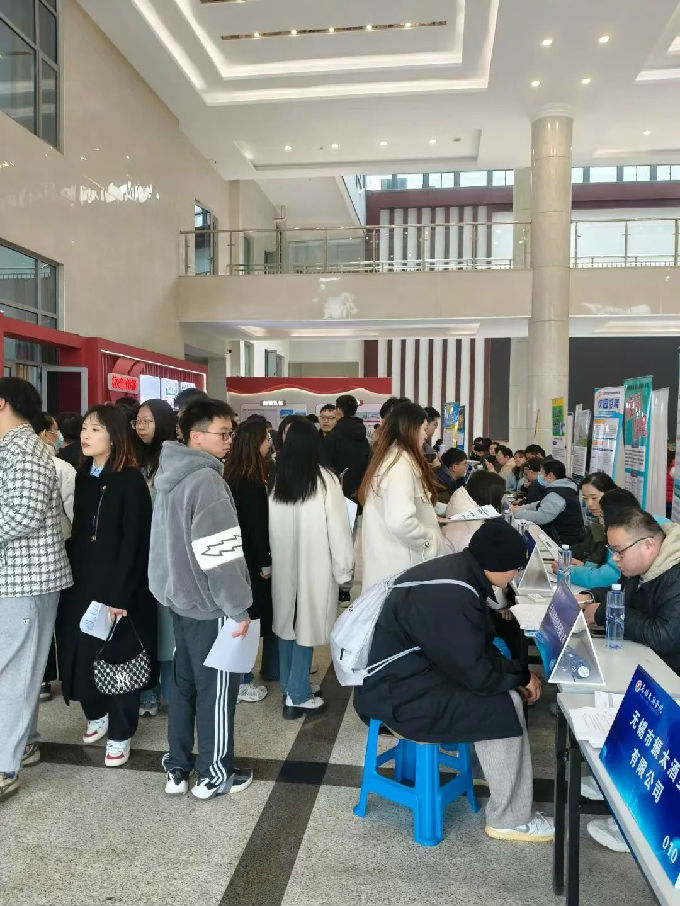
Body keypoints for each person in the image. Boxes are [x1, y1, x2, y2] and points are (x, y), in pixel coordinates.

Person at [354, 520, 553, 843]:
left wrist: (516, 673)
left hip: (406, 677)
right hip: (399, 696)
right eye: (515, 569)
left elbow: (473, 649)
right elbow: (476, 672)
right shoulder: (453, 593)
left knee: (502, 690)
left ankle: (489, 772)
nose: (515, 576)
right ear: (497, 565)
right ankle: (510, 819)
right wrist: (518, 676)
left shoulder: (457, 572)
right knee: (505, 703)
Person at [149, 399, 253, 799]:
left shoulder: (168, 474)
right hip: (209, 606)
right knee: (217, 691)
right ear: (196, 435)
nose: (229, 441)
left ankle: (177, 768)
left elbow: (160, 545)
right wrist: (237, 608)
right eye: (223, 433)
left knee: (183, 687)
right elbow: (221, 555)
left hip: (177, 600)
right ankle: (215, 774)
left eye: (231, 433)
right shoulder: (207, 481)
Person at [55, 405, 156, 769]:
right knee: (81, 651)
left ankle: (121, 732)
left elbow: (135, 543)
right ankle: (95, 713)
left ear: (114, 436)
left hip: (118, 585)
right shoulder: (84, 477)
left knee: (117, 657)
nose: (86, 435)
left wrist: (120, 594)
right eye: (84, 428)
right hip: (81, 583)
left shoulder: (130, 481)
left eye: (95, 429)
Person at [581, 507, 680, 853]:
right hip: (656, 666)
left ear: (649, 545)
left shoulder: (676, 574)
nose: (615, 559)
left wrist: (607, 613)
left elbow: (665, 634)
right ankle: (615, 777)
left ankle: (639, 825)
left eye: (619, 551)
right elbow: (624, 597)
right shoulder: (646, 568)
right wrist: (596, 600)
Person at [0, 378, 72, 802]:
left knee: (16, 673)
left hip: (26, 579)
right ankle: (22, 744)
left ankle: (5, 765)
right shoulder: (13, 447)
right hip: (17, 577)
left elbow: (22, 515)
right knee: (16, 670)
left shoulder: (24, 450)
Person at [269, 419, 354, 718]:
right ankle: (298, 695)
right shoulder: (325, 479)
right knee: (304, 627)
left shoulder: (277, 477)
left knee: (287, 626)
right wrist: (344, 571)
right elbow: (339, 530)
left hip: (284, 567)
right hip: (315, 567)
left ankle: (289, 687)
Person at [360, 402, 446, 591]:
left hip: (393, 563)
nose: (426, 434)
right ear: (411, 429)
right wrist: (429, 540)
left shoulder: (395, 458)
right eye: (423, 428)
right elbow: (400, 521)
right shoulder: (399, 465)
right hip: (399, 565)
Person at [225, 419, 279, 701]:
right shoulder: (251, 482)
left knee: (242, 617)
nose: (269, 443)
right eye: (266, 439)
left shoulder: (231, 474)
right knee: (248, 619)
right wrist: (265, 562)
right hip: (250, 562)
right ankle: (242, 681)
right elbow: (256, 527)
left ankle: (241, 677)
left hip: (235, 559)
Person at [132, 399, 178, 717]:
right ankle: (147, 691)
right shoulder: (132, 459)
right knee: (144, 626)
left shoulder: (174, 459)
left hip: (166, 555)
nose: (141, 427)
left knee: (168, 629)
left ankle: (172, 694)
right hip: (139, 555)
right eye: (138, 421)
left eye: (148, 421)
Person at [30, 411, 77, 702]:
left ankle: (43, 679)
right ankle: (69, 676)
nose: (58, 435)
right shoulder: (61, 468)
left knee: (37, 618)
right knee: (63, 616)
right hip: (63, 547)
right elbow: (73, 512)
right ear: (45, 434)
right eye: (54, 430)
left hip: (26, 557)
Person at [550, 473, 617, 588]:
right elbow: (591, 551)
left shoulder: (619, 528)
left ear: (609, 495)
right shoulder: (598, 521)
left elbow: (606, 575)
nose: (589, 504)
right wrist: (583, 564)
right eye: (585, 498)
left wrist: (567, 571)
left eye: (594, 498)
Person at [512, 457, 585, 545]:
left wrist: (518, 513)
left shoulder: (557, 494)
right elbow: (540, 504)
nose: (540, 476)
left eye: (542, 474)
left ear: (550, 475)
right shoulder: (564, 487)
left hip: (563, 540)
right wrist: (522, 507)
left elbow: (542, 517)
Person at [321, 394, 371, 501]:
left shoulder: (333, 437)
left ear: (339, 410)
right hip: (360, 492)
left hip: (339, 494)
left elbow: (326, 467)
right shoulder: (362, 436)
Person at [442, 469, 506, 553]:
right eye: (501, 495)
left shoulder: (461, 496)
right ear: (490, 495)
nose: (502, 499)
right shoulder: (475, 525)